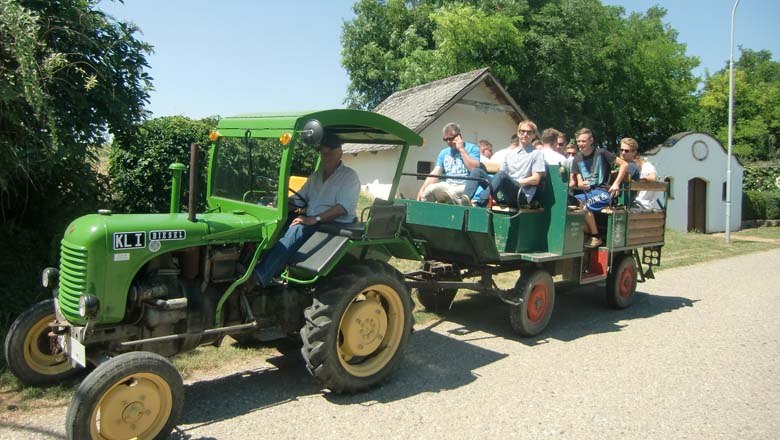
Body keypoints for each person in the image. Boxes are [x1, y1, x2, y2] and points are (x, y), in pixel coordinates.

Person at [253, 133, 360, 287]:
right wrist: (277, 206)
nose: (326, 157)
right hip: (312, 218)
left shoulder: (349, 177)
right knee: (276, 222)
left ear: (340, 153)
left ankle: (258, 278)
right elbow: (299, 198)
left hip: (335, 223)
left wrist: (313, 219)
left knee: (297, 229)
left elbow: (342, 208)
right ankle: (255, 265)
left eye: (330, 153)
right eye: (323, 153)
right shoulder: (316, 176)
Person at [569, 128, 629, 248]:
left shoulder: (601, 153)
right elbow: (575, 181)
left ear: (591, 140)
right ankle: (587, 234)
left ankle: (595, 236)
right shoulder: (577, 159)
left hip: (604, 193)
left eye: (583, 141)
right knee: (571, 202)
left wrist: (616, 184)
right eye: (578, 141)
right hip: (587, 194)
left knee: (581, 203)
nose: (580, 144)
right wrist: (578, 184)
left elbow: (624, 164)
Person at [474, 120, 546, 208]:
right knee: (477, 172)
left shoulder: (537, 154)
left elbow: (536, 179)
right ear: (518, 133)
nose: (525, 134)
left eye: (529, 132)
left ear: (534, 135)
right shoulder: (510, 154)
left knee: (501, 175)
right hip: (506, 192)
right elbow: (502, 174)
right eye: (522, 131)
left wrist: (514, 182)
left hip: (521, 195)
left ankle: (479, 205)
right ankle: (465, 202)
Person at [417, 122, 481, 205]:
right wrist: (422, 189)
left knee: (450, 193)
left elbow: (473, 169)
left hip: (465, 185)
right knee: (427, 192)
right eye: (445, 139)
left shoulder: (472, 148)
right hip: (448, 184)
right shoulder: (444, 153)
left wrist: (461, 149)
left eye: (451, 138)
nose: (448, 142)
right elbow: (435, 173)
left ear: (459, 136)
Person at [619, 137, 661, 211]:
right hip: (635, 202)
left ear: (637, 157)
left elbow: (653, 177)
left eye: (626, 151)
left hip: (643, 203)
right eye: (621, 150)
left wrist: (639, 180)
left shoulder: (647, 166)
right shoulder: (634, 167)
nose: (623, 153)